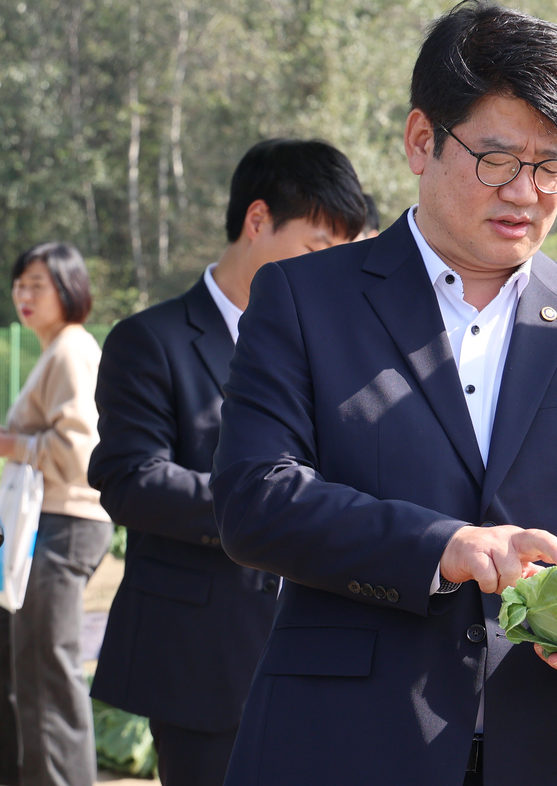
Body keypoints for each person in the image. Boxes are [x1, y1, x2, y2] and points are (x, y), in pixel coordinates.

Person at [208, 0, 557, 786]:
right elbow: (255, 498)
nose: (527, 192)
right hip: (340, 744)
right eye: (498, 159)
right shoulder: (304, 298)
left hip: (551, 743)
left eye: (551, 166)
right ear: (420, 140)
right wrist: (446, 545)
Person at [87, 139, 366, 786]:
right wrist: (265, 505)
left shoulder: (333, 346)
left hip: (326, 644)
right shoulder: (149, 340)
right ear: (258, 219)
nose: (330, 269)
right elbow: (130, 479)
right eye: (318, 247)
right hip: (202, 653)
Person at [0, 242, 112, 786]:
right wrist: (7, 441)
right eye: (19, 283)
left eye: (37, 283)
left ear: (69, 288)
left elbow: (81, 453)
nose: (23, 295)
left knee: (45, 672)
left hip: (66, 524)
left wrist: (10, 445)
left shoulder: (72, 349)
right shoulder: (53, 350)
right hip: (40, 525)